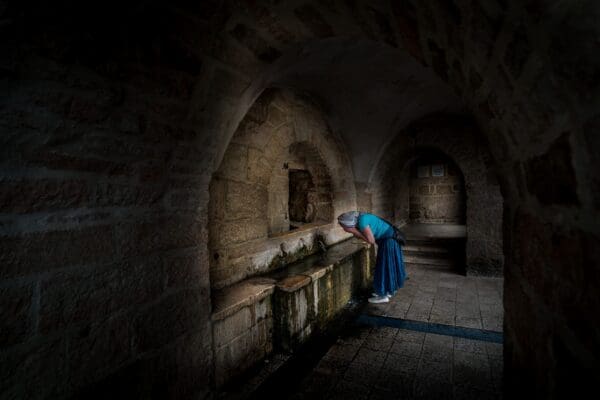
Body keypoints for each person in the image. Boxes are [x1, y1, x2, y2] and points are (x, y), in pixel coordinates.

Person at [337, 211, 406, 303]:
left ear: (348, 224)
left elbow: (371, 240)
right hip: (388, 240)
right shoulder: (361, 218)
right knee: (388, 267)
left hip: (389, 242)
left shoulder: (362, 222)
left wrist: (355, 232)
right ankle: (388, 290)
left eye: (343, 226)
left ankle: (383, 296)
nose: (343, 229)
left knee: (384, 268)